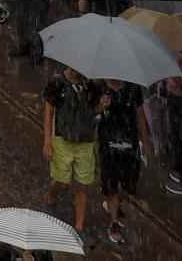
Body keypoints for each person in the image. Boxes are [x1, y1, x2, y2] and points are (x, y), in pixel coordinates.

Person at [42, 66, 104, 238]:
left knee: (83, 185)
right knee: (62, 181)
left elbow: (92, 111)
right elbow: (48, 111)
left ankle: (79, 227)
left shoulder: (89, 85)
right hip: (63, 140)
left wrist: (102, 105)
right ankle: (50, 196)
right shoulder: (57, 83)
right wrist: (47, 141)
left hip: (84, 142)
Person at [96, 76, 151, 246]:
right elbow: (91, 111)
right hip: (108, 146)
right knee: (112, 184)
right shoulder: (100, 88)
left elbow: (139, 114)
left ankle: (113, 202)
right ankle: (113, 223)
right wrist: (100, 106)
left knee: (129, 185)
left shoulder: (133, 89)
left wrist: (146, 142)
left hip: (129, 145)